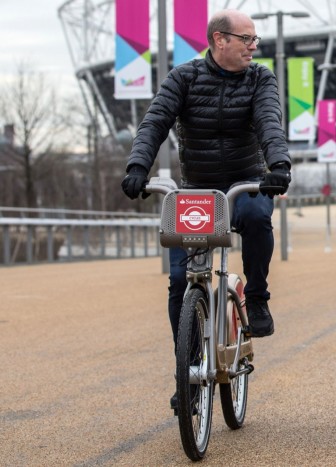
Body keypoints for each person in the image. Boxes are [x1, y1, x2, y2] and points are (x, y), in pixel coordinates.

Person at [121, 9, 291, 409]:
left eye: (255, 40)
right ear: (219, 39)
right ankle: (189, 369)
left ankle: (259, 296)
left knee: (254, 216)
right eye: (247, 39)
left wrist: (278, 165)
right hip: (198, 189)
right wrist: (137, 166)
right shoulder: (183, 77)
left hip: (247, 181)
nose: (254, 47)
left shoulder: (259, 78)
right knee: (181, 280)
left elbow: (269, 121)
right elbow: (155, 122)